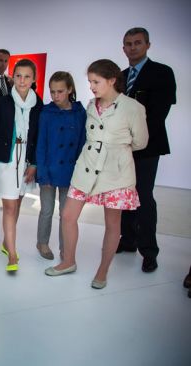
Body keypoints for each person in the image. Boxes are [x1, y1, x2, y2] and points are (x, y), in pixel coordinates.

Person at [45, 59, 148, 289]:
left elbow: (141, 142)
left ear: (112, 81)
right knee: (69, 215)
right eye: (89, 81)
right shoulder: (91, 105)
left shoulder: (133, 108)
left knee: (112, 224)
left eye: (96, 81)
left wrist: (117, 148)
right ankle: (68, 261)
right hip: (87, 167)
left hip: (116, 173)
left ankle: (102, 270)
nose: (91, 86)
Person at [117, 27, 177, 273]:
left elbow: (158, 114)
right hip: (121, 148)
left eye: (138, 43)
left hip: (147, 147)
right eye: (128, 44)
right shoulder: (119, 77)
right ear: (123, 48)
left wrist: (133, 138)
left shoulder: (162, 73)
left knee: (142, 196)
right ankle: (128, 240)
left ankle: (149, 251)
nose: (133, 47)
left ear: (148, 45)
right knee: (124, 195)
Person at [0, 59, 43, 272]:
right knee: (9, 206)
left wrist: (35, 163)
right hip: (5, 160)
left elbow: (39, 137)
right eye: (18, 75)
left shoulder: (39, 105)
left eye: (27, 76)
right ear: (13, 77)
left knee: (17, 204)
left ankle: (5, 242)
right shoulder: (2, 103)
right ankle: (12, 253)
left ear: (34, 79)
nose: (22, 80)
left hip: (27, 161)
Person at [35, 72, 86, 260]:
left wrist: (80, 173)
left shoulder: (80, 113)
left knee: (67, 215)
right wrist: (43, 172)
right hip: (49, 169)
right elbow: (41, 144)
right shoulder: (47, 113)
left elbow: (82, 144)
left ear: (70, 89)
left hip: (70, 171)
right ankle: (42, 243)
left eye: (60, 91)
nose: (56, 96)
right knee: (47, 210)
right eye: (52, 91)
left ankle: (66, 248)